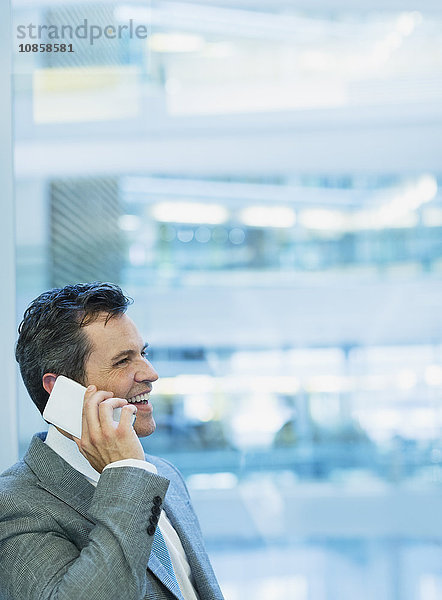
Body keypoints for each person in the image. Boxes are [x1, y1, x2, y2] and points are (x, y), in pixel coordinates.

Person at [0, 282, 224, 600]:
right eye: (123, 361)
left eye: (142, 353)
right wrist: (127, 471)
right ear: (60, 388)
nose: (150, 372)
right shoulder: (13, 504)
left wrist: (133, 470)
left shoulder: (161, 473)